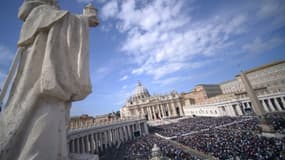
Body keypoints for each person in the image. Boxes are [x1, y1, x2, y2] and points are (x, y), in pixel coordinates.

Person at [0, 0, 98, 159]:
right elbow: (63, 20)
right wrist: (86, 19)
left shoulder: (41, 16)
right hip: (44, 86)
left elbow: (63, 20)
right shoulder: (42, 13)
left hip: (45, 84)